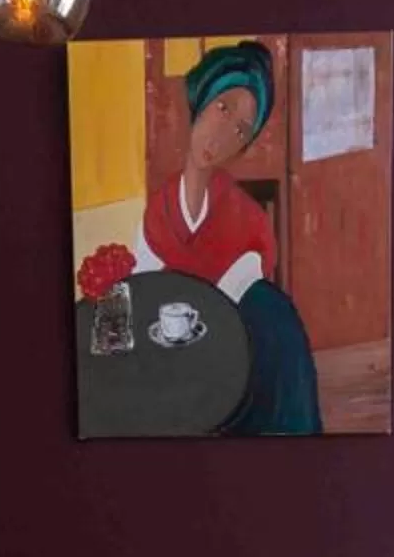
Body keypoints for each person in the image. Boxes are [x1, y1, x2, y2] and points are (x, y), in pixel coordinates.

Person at [132, 39, 323, 434]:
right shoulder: (158, 210)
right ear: (200, 104)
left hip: (243, 367)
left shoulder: (249, 221)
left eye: (240, 130)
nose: (224, 135)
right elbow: (145, 293)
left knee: (270, 314)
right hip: (177, 359)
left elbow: (236, 311)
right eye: (223, 109)